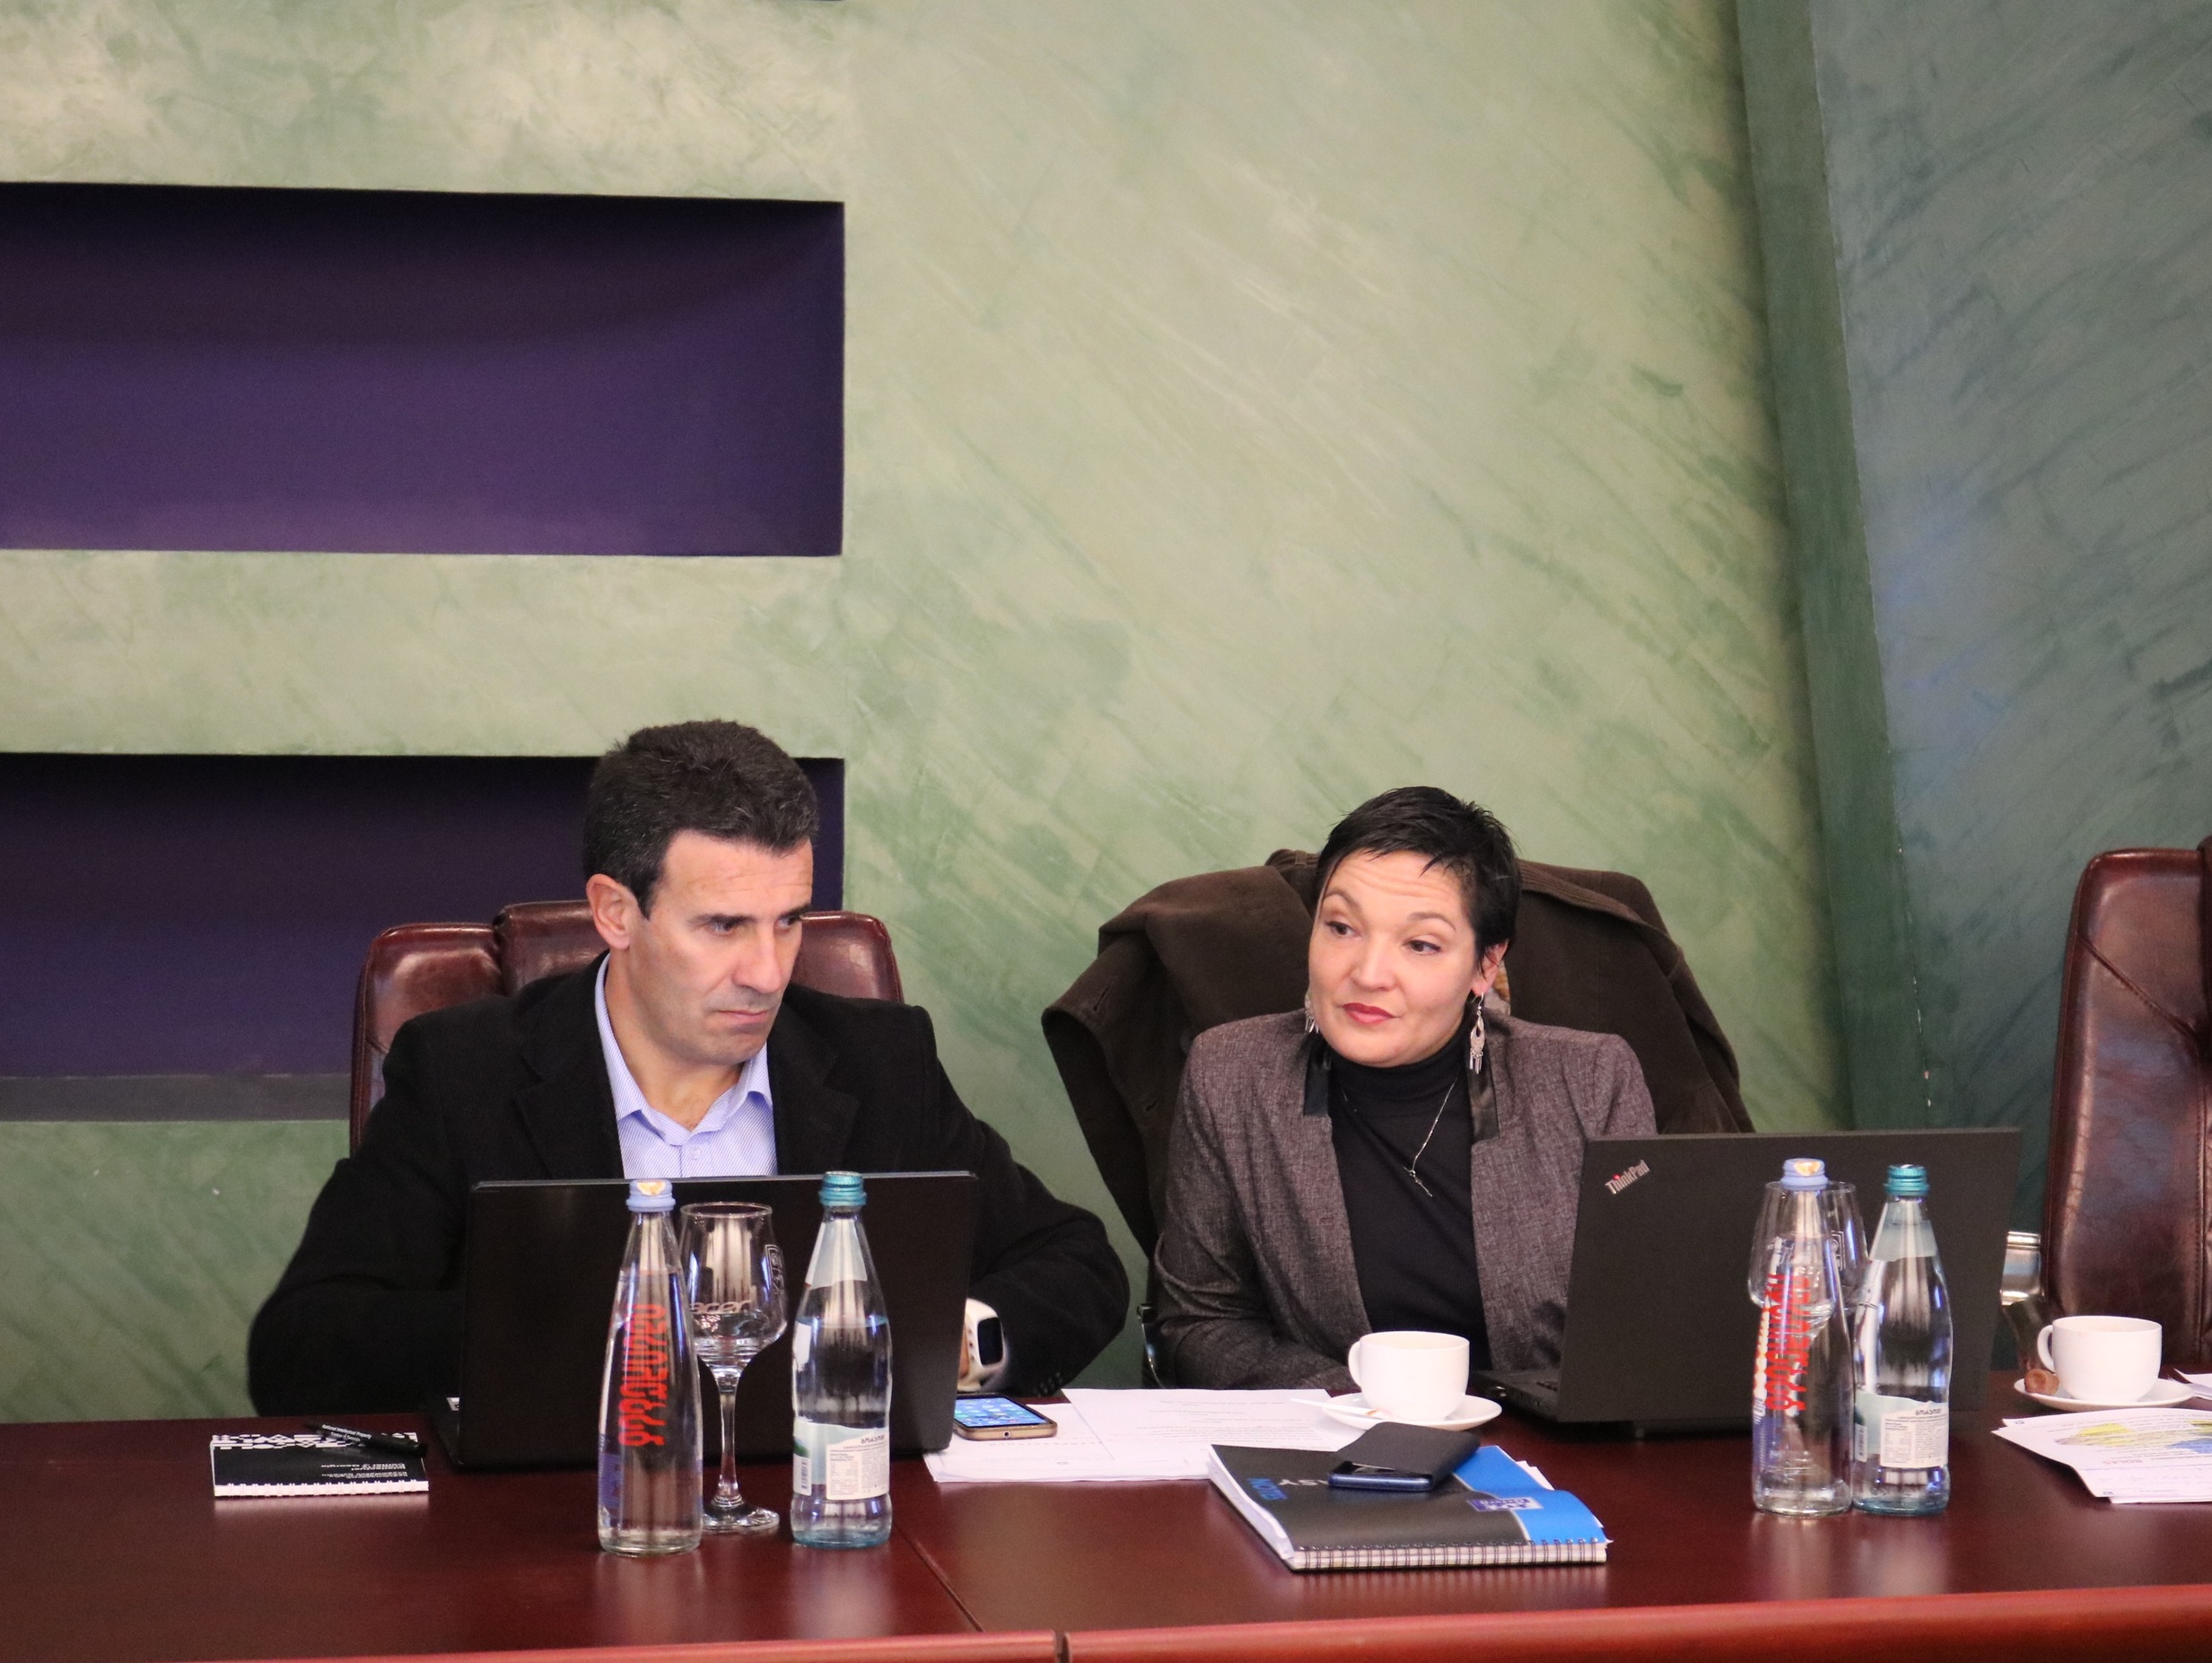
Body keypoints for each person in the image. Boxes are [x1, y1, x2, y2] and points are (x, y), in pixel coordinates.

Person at [249, 721, 1126, 1413]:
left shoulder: (878, 1061)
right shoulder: (464, 1070)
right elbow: (302, 1347)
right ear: (614, 912)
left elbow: (1076, 1262)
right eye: (723, 925)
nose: (767, 971)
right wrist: (584, 1335)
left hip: (828, 1518)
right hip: (565, 1529)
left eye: (788, 920)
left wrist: (954, 1340)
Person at [1151, 787, 1655, 1389]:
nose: (1367, 974)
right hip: (1343, 1434)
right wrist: (1359, 1399)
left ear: (1485, 964)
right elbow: (1200, 1322)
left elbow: (1643, 1322)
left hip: (1545, 1439)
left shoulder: (1591, 1080)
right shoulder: (1231, 1075)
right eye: (1341, 928)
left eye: (1420, 944)